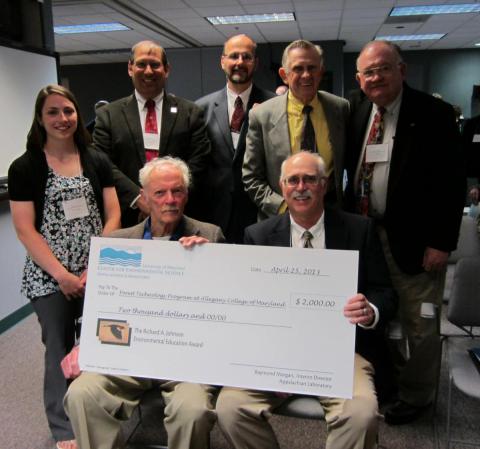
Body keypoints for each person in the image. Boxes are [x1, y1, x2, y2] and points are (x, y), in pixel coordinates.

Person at [216, 151, 397, 449]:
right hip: (275, 353)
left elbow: (386, 293)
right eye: (293, 180)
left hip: (341, 353)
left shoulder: (359, 230)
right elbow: (245, 302)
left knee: (361, 414)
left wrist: (370, 310)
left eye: (310, 179)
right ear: (282, 186)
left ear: (324, 185)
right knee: (230, 408)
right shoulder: (257, 236)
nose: (301, 187)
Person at [63, 156, 225, 449]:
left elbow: (224, 306)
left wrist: (208, 262)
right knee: (81, 394)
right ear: (145, 197)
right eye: (160, 193)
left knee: (193, 410)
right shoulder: (119, 242)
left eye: (177, 191)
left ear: (186, 195)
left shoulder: (209, 236)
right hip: (129, 353)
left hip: (184, 359)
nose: (170, 200)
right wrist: (82, 345)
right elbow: (104, 306)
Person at [345, 40, 466, 424]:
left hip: (417, 241)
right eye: (368, 72)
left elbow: (452, 183)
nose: (375, 77)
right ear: (359, 78)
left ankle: (418, 396)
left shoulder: (434, 113)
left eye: (383, 68)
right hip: (367, 235)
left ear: (402, 70)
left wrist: (442, 242)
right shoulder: (358, 111)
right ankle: (392, 386)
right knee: (380, 315)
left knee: (421, 322)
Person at [8, 84, 121, 449]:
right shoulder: (25, 166)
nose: (62, 119)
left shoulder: (95, 158)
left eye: (68, 111)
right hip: (49, 277)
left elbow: (114, 213)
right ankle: (64, 428)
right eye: (53, 112)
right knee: (58, 347)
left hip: (96, 272)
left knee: (103, 342)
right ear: (40, 119)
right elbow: (25, 229)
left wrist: (96, 267)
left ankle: (102, 414)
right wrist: (62, 275)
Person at [93, 40, 211, 227]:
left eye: (155, 65)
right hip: (127, 217)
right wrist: (138, 198)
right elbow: (103, 163)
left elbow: (199, 161)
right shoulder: (108, 115)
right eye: (141, 64)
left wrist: (166, 199)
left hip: (179, 216)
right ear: (130, 68)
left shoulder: (190, 112)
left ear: (166, 69)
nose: (148, 71)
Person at [242, 39, 349, 220]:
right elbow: (251, 177)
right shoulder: (262, 115)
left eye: (312, 68)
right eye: (298, 69)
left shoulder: (340, 108)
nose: (306, 75)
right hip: (281, 218)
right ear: (284, 74)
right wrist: (285, 208)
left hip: (331, 217)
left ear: (321, 72)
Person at [196, 34, 274, 242]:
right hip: (213, 216)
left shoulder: (274, 105)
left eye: (246, 57)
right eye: (234, 56)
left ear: (255, 63)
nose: (240, 62)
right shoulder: (200, 108)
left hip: (259, 214)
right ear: (223, 61)